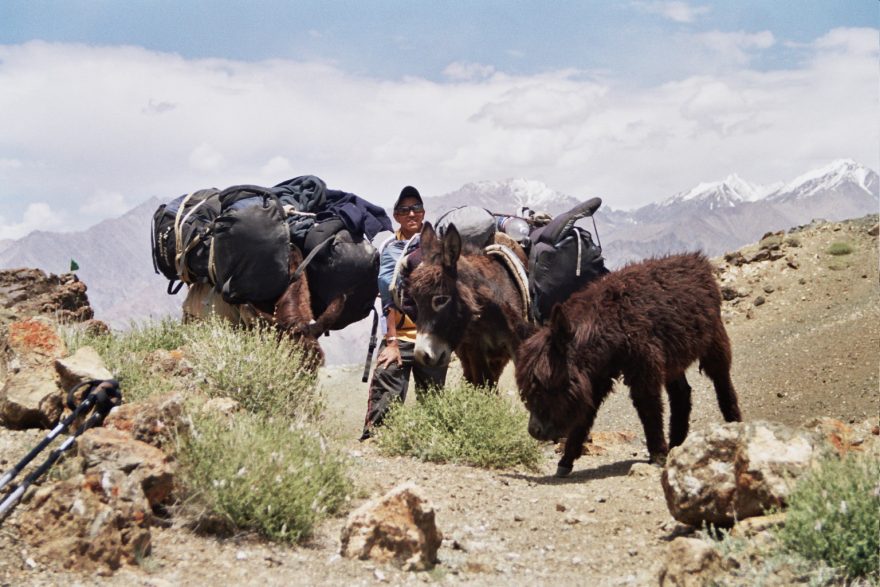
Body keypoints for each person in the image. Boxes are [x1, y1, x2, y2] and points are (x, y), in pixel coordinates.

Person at [360, 186, 447, 440]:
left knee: (434, 407)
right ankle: (376, 443)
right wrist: (392, 343)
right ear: (396, 216)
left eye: (416, 208)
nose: (411, 213)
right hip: (400, 338)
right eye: (404, 210)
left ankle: (433, 446)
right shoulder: (390, 249)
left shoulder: (437, 249)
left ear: (424, 213)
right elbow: (388, 298)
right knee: (384, 398)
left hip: (431, 338)